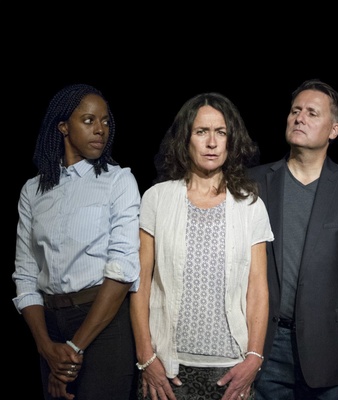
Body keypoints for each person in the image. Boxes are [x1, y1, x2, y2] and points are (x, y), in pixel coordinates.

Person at [248, 79, 338, 400]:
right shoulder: (253, 183)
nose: (299, 118)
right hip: (264, 348)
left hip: (331, 353)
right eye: (295, 110)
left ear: (333, 130)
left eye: (312, 113)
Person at [130, 92, 274, 400]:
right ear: (185, 139)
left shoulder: (250, 206)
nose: (211, 143)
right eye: (201, 132)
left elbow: (258, 289)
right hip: (166, 365)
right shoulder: (157, 199)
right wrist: (146, 357)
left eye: (221, 132)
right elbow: (140, 284)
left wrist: (254, 358)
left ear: (231, 140)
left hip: (231, 368)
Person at [12, 83, 141, 400]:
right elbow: (26, 274)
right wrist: (47, 347)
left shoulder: (118, 180)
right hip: (49, 325)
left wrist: (73, 348)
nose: (101, 130)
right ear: (63, 127)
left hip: (102, 322)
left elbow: (123, 269)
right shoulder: (33, 191)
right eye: (88, 120)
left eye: (106, 121)